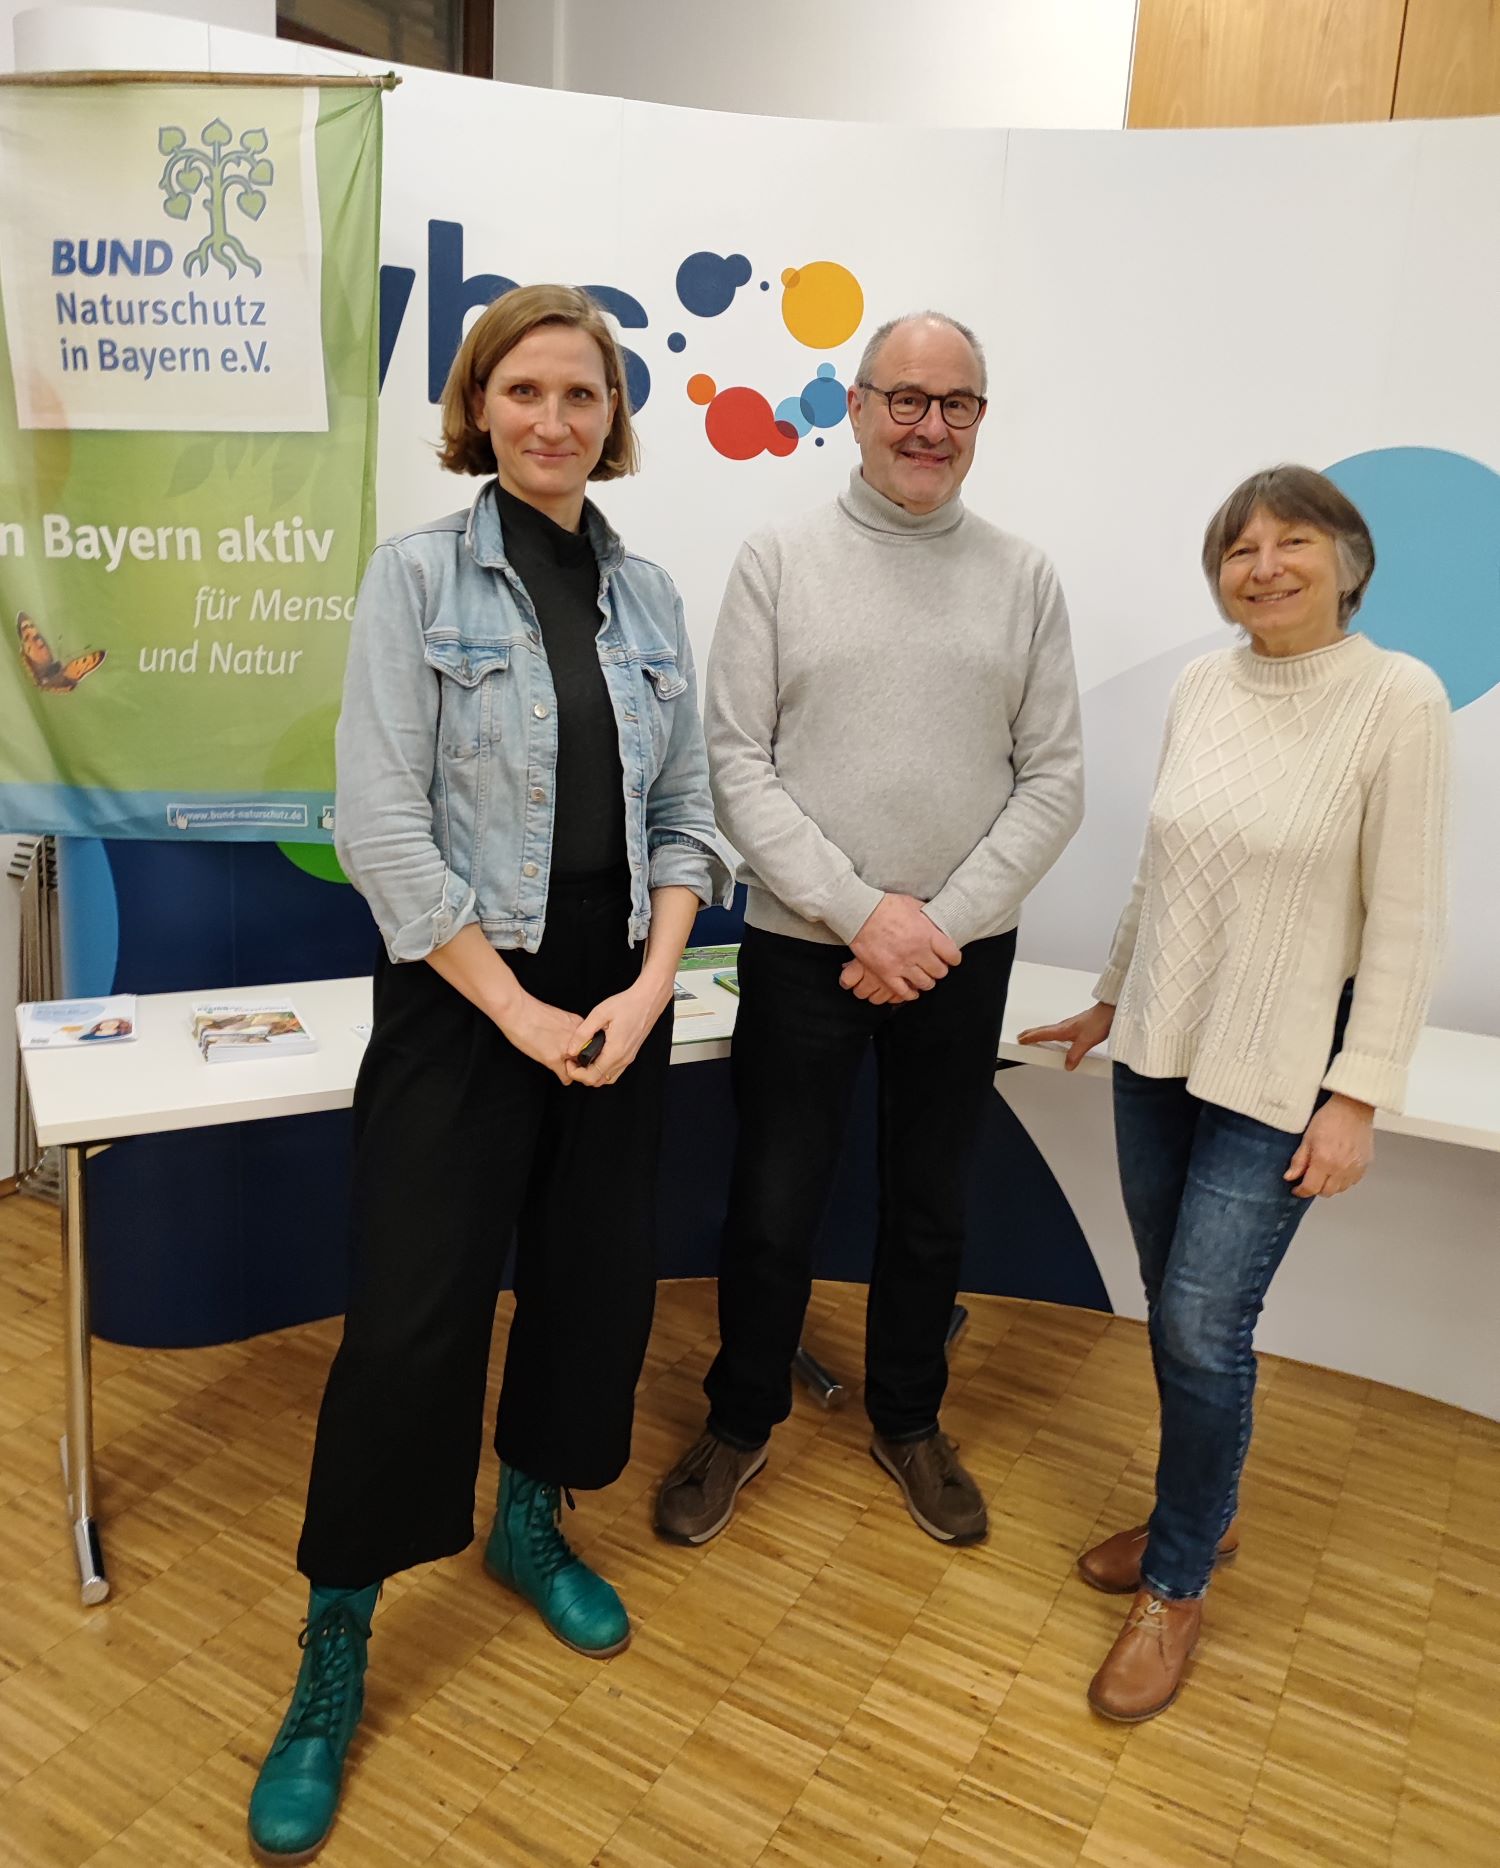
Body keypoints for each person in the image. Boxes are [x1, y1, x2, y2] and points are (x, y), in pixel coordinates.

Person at [248, 284, 728, 1862]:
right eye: (522, 390)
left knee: (596, 1284)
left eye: (580, 394)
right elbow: (379, 829)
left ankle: (530, 1522)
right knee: (413, 1319)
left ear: (612, 415)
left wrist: (652, 982)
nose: (552, 420)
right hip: (465, 995)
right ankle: (336, 1643)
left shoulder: (652, 594)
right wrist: (517, 1011)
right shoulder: (415, 579)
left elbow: (690, 818)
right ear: (477, 407)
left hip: (619, 992)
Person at [1019, 465, 1450, 1723]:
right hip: (1160, 1045)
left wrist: (1358, 1093)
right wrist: (1109, 996)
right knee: (1175, 1311)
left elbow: (1410, 919)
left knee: (1206, 1325)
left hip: (1280, 1070)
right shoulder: (1206, 686)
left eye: (1292, 540)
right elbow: (1165, 874)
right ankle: (1202, 1510)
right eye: (1239, 547)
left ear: (1347, 560)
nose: (1263, 564)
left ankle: (1176, 1580)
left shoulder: (1399, 699)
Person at [654, 311, 1084, 1550]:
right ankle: (739, 1417)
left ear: (980, 421)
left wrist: (930, 928)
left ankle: (909, 1414)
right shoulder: (779, 559)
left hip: (958, 952)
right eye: (906, 398)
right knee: (774, 1200)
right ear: (855, 405)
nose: (928, 425)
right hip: (803, 943)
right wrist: (861, 912)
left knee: (930, 1202)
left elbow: (1054, 780)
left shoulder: (1026, 577)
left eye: (956, 404)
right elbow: (734, 760)